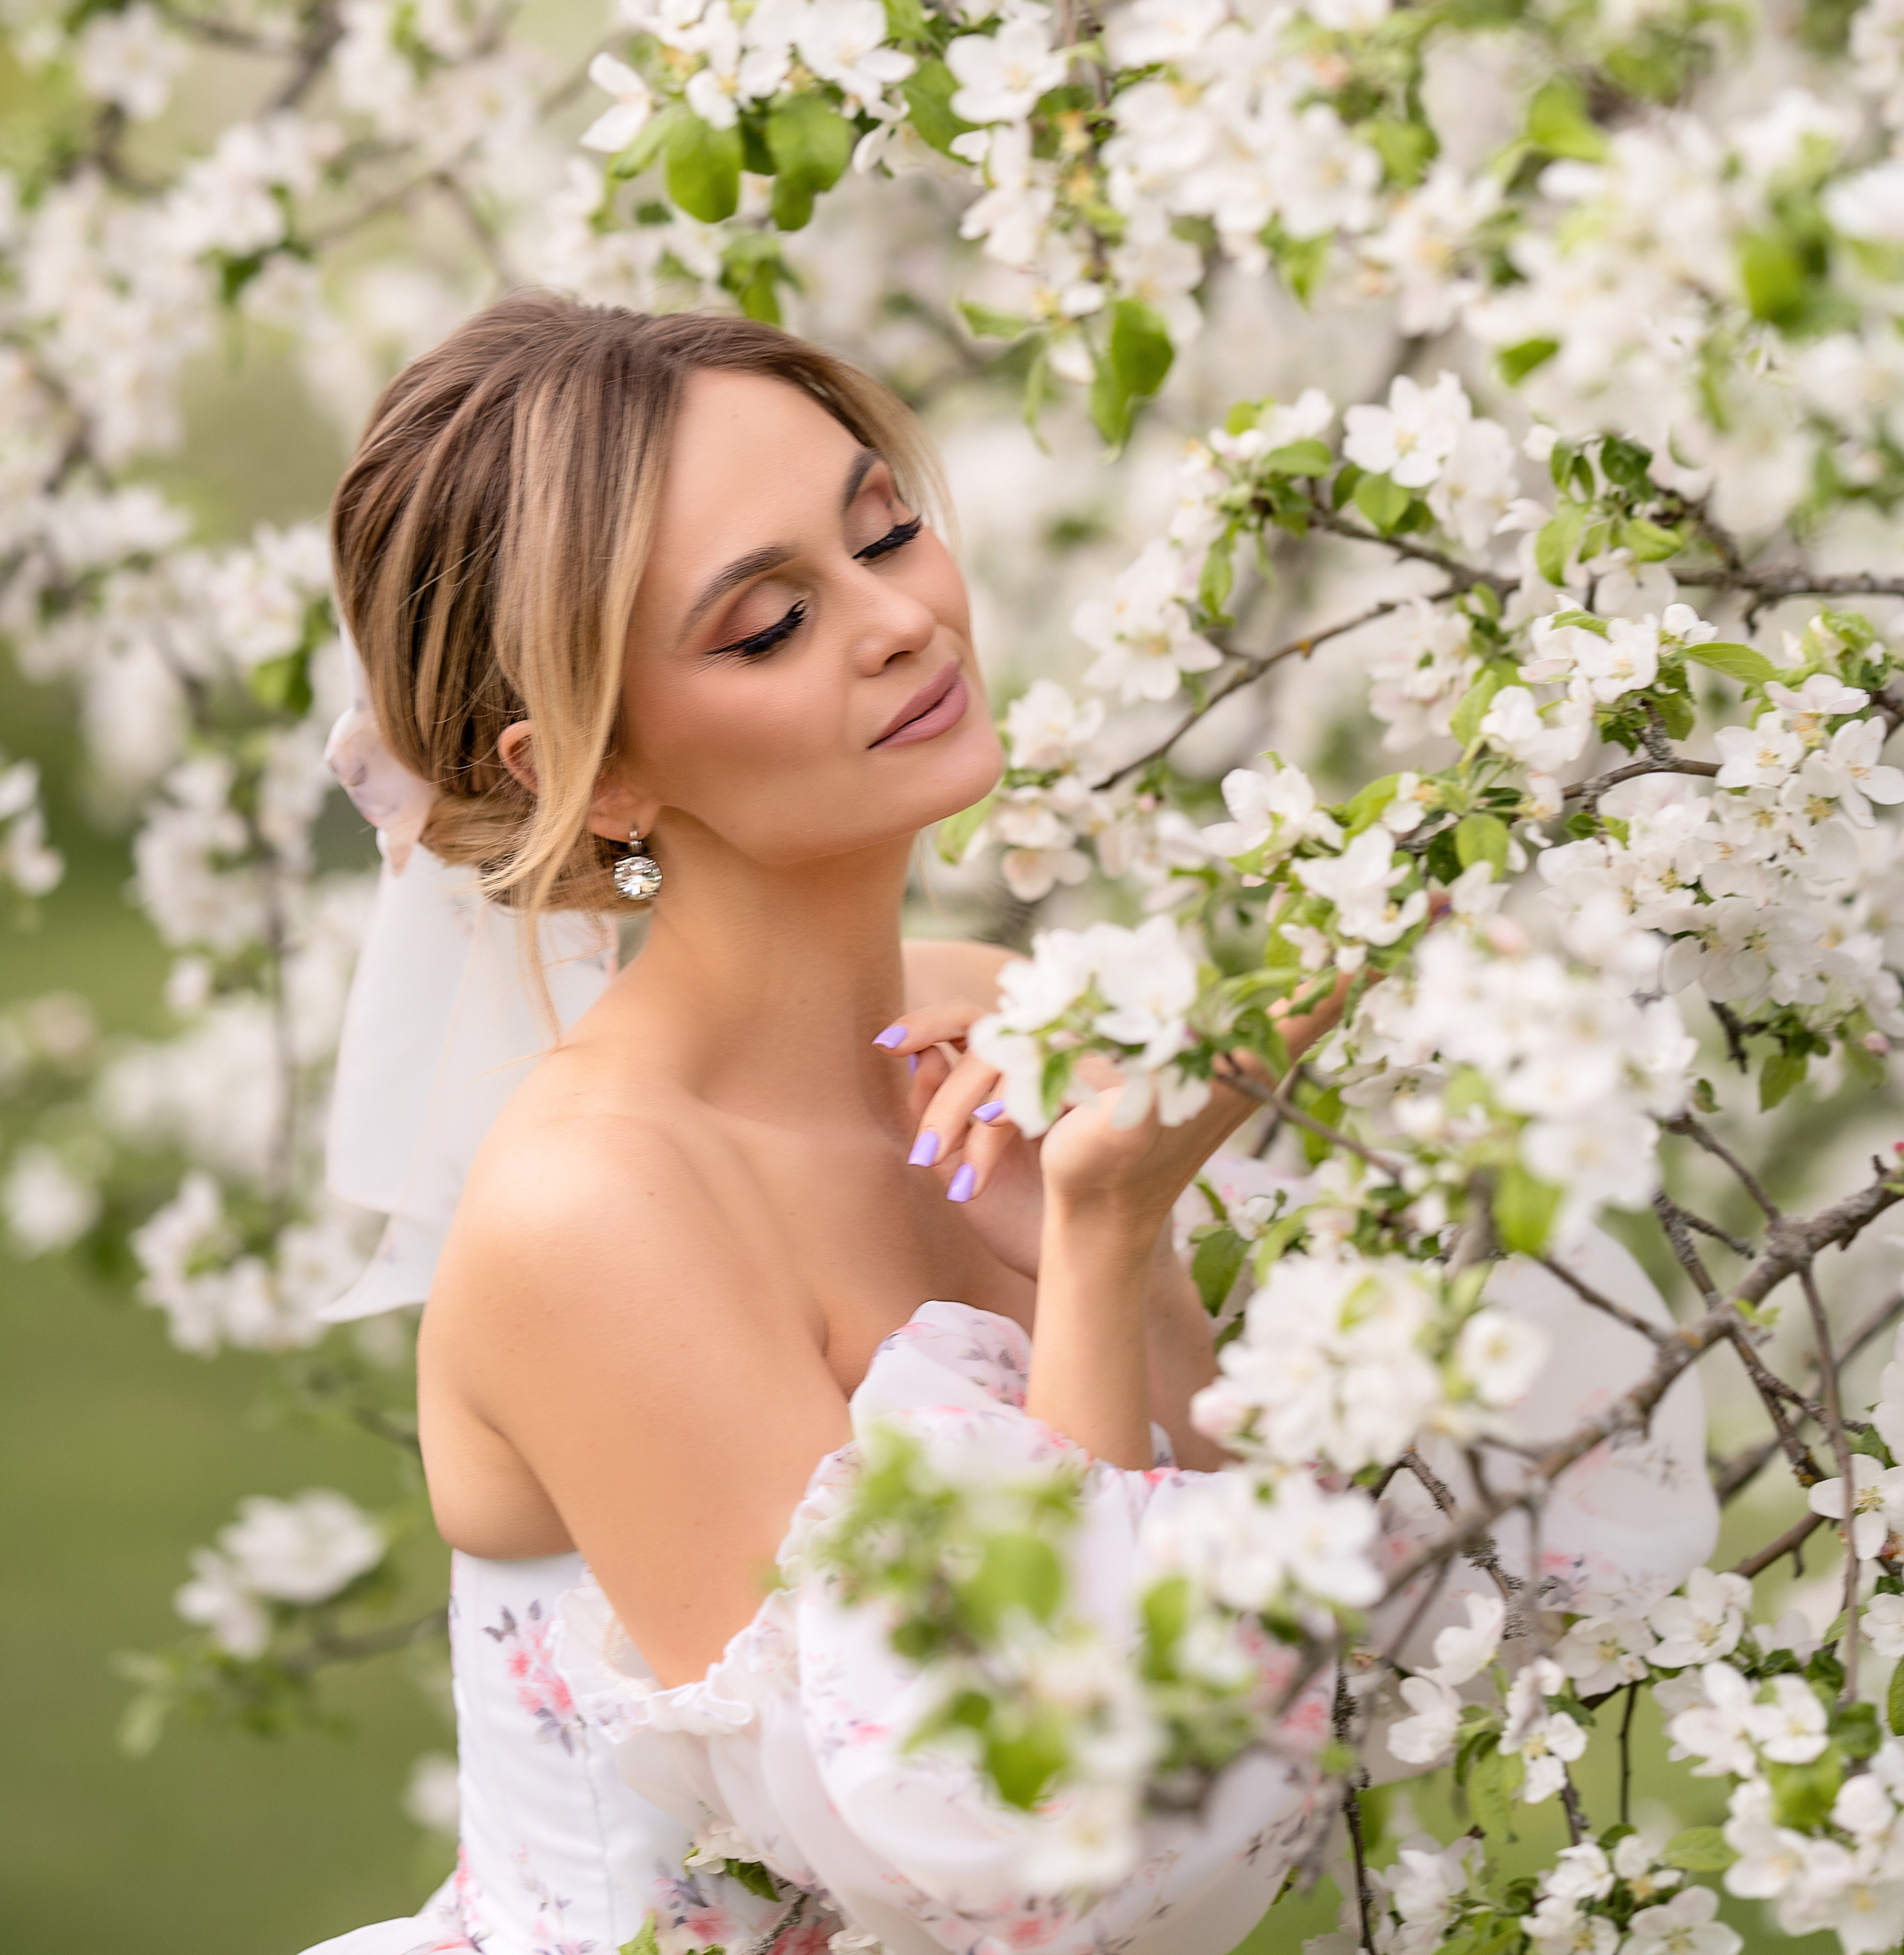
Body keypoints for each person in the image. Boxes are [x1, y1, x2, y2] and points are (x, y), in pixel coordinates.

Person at [303, 295, 1715, 1955]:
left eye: (885, 530)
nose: (900, 620)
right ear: (596, 779)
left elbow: (1313, 1624)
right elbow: (1028, 1863)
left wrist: (1122, 1256)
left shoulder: (979, 1015)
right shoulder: (594, 1205)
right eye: (763, 625)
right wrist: (1105, 1250)